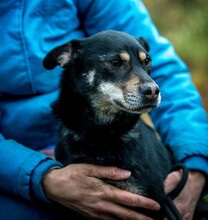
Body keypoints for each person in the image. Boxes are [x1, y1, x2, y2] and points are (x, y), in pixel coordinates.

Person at [0, 0, 207, 219]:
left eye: (145, 65)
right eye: (116, 64)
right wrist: (40, 176)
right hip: (13, 166)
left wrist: (196, 161)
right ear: (67, 59)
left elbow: (167, 73)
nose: (150, 86)